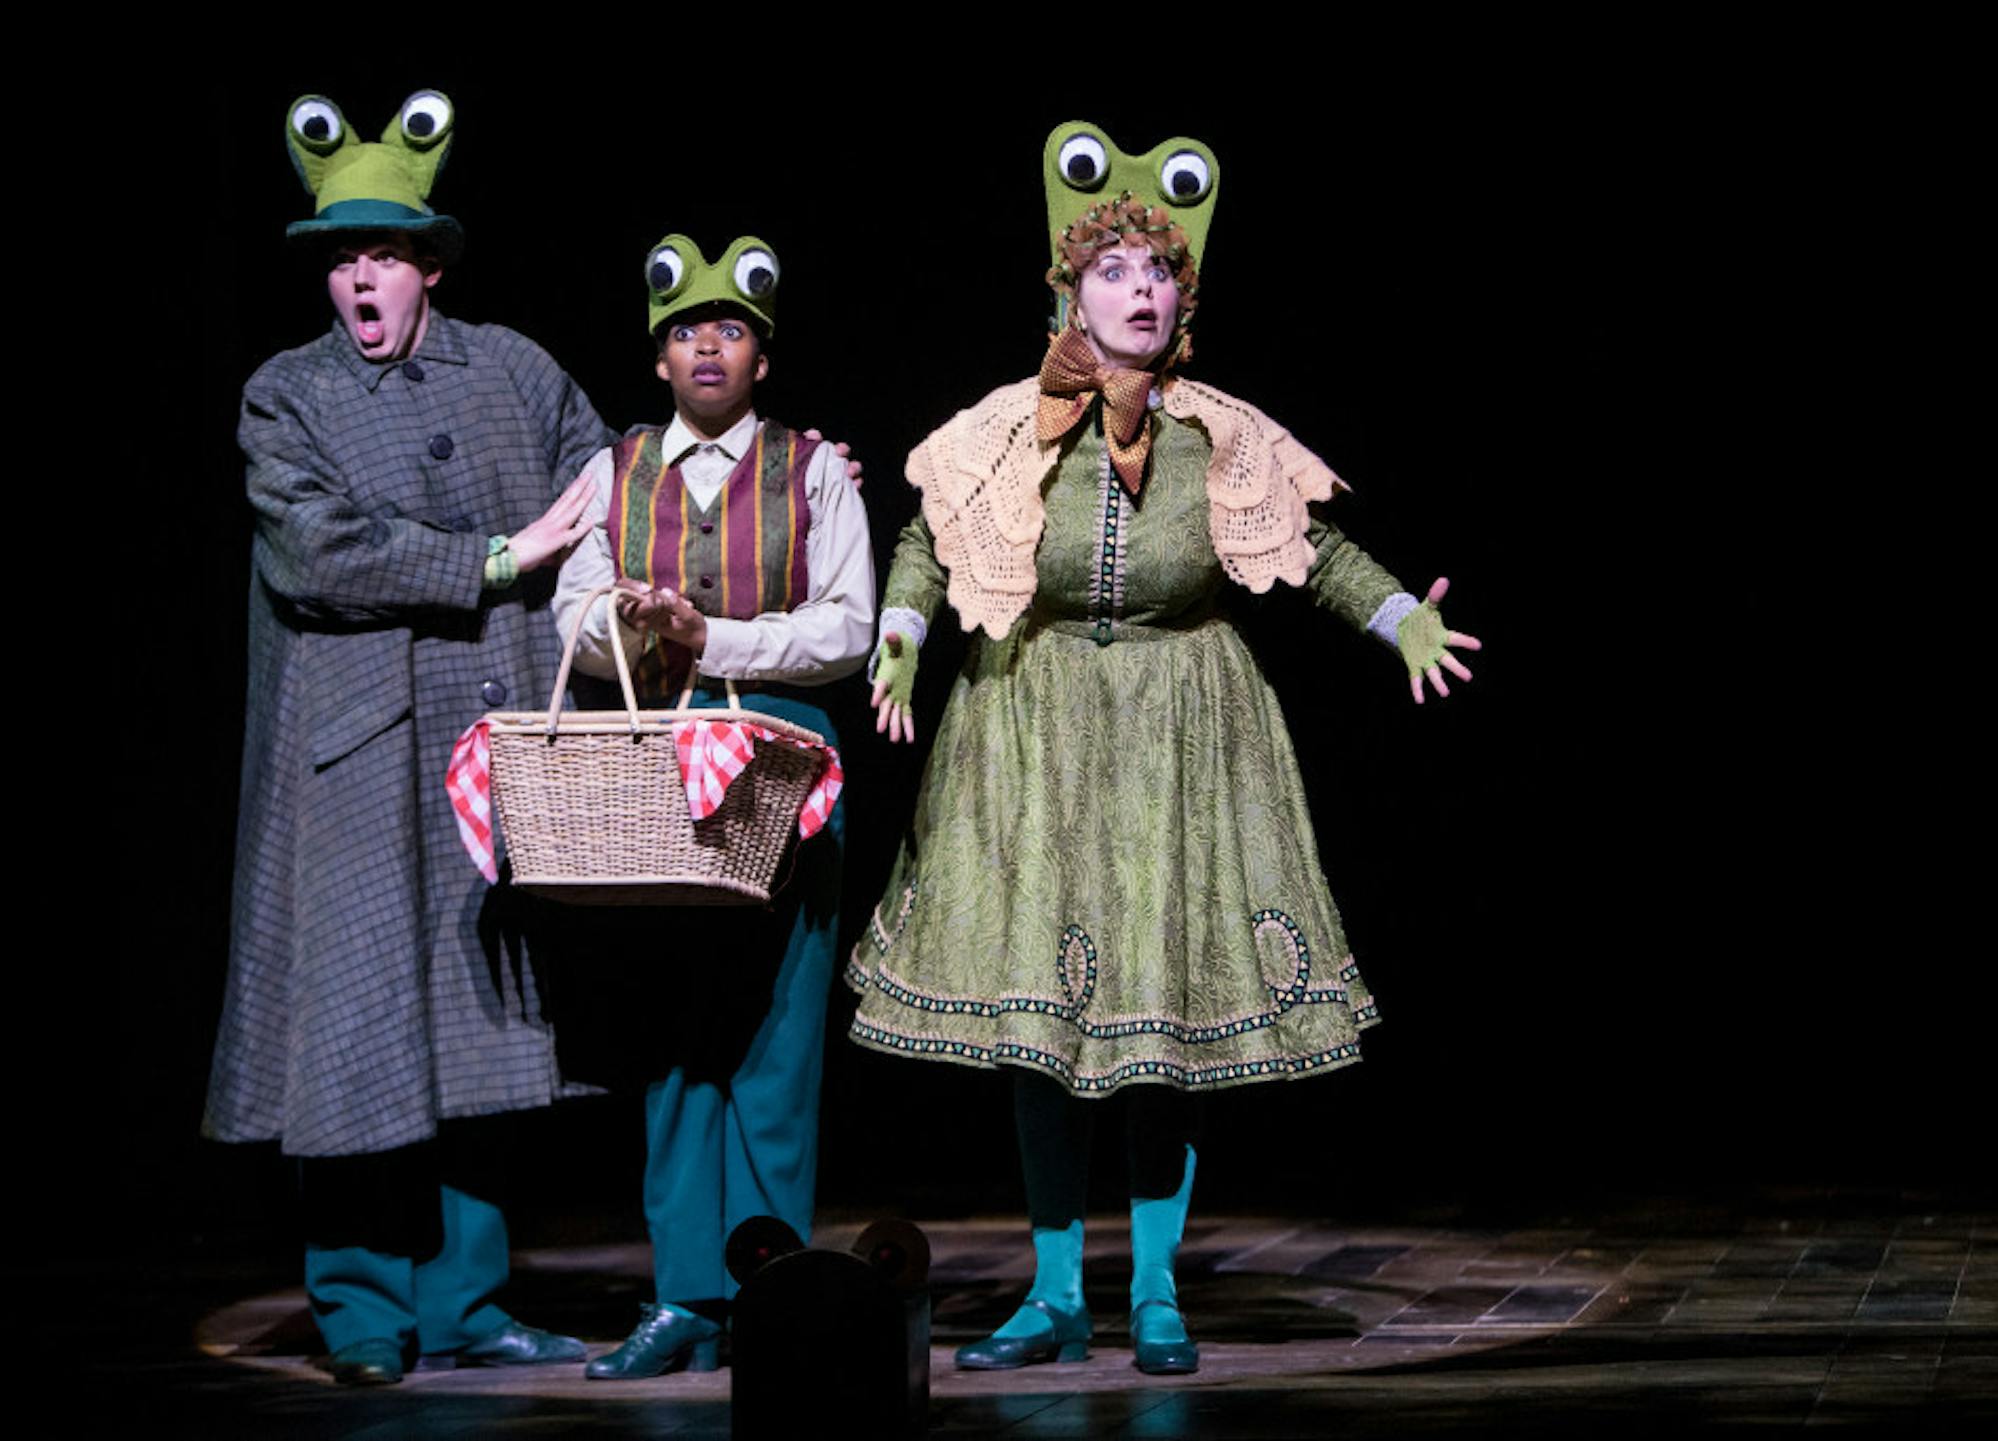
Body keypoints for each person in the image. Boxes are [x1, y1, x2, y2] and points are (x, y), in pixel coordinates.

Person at [845, 122, 1483, 1376]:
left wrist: (1402, 616)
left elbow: (1314, 549)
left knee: (1158, 1023)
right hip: (1030, 731)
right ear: (1068, 292)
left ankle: (1152, 1289)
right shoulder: (1003, 426)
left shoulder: (1217, 433)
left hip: (1179, 734)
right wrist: (904, 629)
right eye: (1115, 270)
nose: (1141, 291)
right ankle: (1051, 1293)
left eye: (1159, 272)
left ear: (1185, 298)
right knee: (1040, 1025)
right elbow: (929, 534)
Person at [201, 91, 613, 1386]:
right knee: (356, 1035)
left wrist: (768, 482)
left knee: (484, 1029)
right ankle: (365, 1311)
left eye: (382, 253)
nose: (359, 279)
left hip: (487, 736)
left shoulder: (515, 370)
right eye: (342, 258)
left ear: (430, 265)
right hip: (356, 756)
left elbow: (608, 478)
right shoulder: (288, 395)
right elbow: (320, 552)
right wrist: (497, 556)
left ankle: (469, 1305)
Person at [548, 233, 875, 1379]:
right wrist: (626, 624)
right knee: (674, 1034)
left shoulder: (814, 470)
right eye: (686, 330)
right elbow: (573, 608)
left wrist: (717, 636)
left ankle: (771, 1290)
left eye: (730, 330)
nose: (706, 347)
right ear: (659, 357)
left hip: (783, 762)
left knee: (778, 1037)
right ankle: (686, 1294)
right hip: (659, 764)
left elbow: (849, 624)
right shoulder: (617, 469)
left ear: (760, 359)